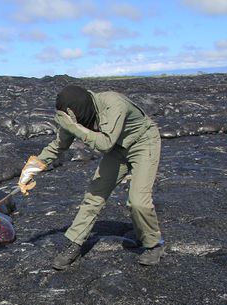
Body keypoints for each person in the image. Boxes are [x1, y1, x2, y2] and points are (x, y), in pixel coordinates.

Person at [18, 84, 164, 270]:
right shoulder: (72, 118)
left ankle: (153, 244)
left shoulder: (113, 103)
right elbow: (58, 146)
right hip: (117, 151)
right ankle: (75, 243)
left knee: (138, 202)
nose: (68, 121)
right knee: (94, 196)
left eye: (69, 118)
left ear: (76, 111)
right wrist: (31, 170)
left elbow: (105, 144)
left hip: (143, 143)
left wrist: (73, 126)